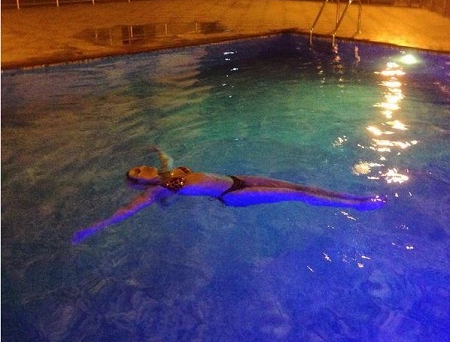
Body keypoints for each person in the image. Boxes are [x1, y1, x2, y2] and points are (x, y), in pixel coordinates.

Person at [72, 147, 386, 244]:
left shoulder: (167, 171)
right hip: (233, 195)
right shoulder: (158, 190)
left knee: (298, 186)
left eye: (140, 166)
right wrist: (94, 228)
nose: (142, 167)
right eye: (137, 172)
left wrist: (158, 150)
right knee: (295, 195)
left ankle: (352, 196)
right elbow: (126, 211)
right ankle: (355, 207)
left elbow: (167, 158)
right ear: (141, 183)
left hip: (237, 178)